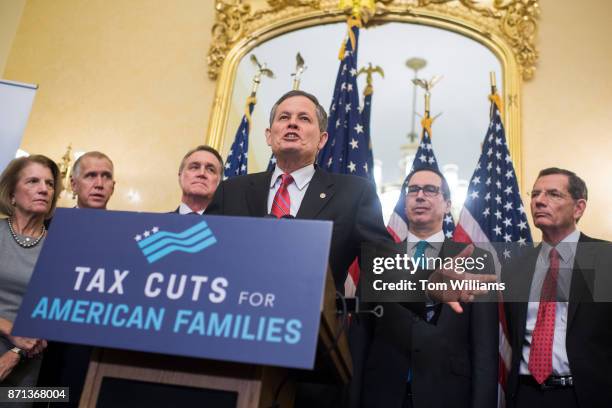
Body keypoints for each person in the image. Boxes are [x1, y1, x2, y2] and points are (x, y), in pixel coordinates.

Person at [206, 90, 496, 407]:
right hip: (227, 350)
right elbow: (202, 261)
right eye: (283, 118)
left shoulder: (352, 194)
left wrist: (425, 284)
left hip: (305, 365)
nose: (292, 125)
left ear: (322, 138)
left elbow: (379, 265)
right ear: (269, 134)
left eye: (304, 119)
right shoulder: (229, 191)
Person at [362, 168, 498, 408]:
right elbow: (361, 336)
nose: (420, 196)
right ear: (405, 202)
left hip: (448, 394)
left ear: (448, 205)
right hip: (382, 392)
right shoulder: (378, 257)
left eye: (430, 190)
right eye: (413, 190)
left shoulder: (476, 259)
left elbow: (484, 349)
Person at [503, 168, 612, 408]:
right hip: (525, 395)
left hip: (586, 396)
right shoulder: (516, 268)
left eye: (553, 194)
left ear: (579, 207)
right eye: (535, 194)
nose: (539, 201)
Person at [37, 151, 116, 406]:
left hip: (89, 349)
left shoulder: (125, 234)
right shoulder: (44, 226)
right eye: (91, 176)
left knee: (71, 400)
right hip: (38, 343)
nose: (99, 183)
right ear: (73, 183)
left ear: (113, 185)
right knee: (21, 398)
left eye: (106, 176)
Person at [0, 155, 61, 393]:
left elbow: (54, 316)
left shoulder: (61, 248)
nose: (43, 189)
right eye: (33, 181)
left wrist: (14, 354)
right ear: (12, 193)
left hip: (22, 366)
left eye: (49, 184)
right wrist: (7, 327)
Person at [175, 145, 223, 214]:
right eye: (194, 167)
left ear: (219, 182)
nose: (202, 173)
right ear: (180, 176)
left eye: (210, 170)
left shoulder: (230, 225)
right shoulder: (157, 223)